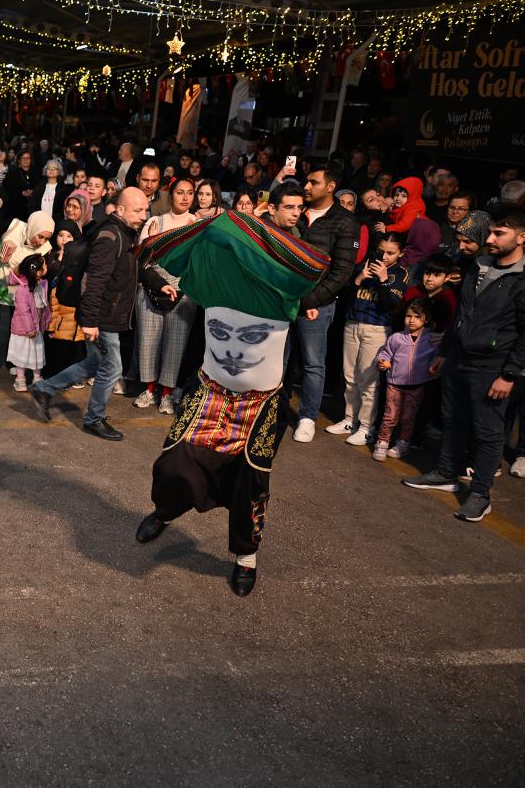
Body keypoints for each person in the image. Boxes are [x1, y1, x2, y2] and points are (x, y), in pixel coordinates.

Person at [133, 210, 331, 596]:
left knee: (250, 483)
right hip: (210, 391)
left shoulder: (283, 293)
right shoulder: (210, 283)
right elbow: (157, 262)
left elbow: (319, 267)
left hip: (261, 404)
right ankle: (166, 512)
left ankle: (246, 558)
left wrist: (253, 229)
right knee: (174, 462)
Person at [403, 210, 525, 523]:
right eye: (491, 232)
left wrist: (509, 374)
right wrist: (445, 352)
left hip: (492, 366)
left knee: (487, 432)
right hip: (458, 359)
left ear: (521, 237)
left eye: (499, 234)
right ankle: (445, 473)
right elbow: (461, 315)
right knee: (452, 419)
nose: (490, 239)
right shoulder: (479, 265)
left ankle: (480, 494)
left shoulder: (521, 278)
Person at [29, 187, 148, 441]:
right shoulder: (109, 237)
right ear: (121, 209)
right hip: (102, 317)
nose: (143, 215)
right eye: (138, 210)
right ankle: (94, 419)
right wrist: (91, 321)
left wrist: (159, 284)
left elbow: (134, 268)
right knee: (112, 367)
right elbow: (95, 282)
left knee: (95, 363)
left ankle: (44, 389)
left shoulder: (127, 234)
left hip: (106, 314)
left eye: (145, 210)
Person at [290, 162, 360, 443]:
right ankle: (274, 409)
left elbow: (341, 272)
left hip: (316, 306)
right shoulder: (297, 212)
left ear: (330, 186)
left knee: (313, 364)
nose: (306, 186)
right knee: (278, 359)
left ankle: (307, 418)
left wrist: (308, 300)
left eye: (314, 182)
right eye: (307, 181)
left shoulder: (345, 221)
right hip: (284, 301)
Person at [328, 232, 409, 446]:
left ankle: (366, 428)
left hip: (376, 329)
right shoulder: (364, 266)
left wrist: (382, 279)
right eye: (381, 251)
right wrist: (358, 279)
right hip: (352, 323)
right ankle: (349, 420)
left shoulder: (400, 274)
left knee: (368, 381)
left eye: (390, 253)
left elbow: (389, 305)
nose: (384, 257)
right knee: (349, 377)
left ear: (401, 254)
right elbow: (345, 298)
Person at [134, 179, 199, 414]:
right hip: (152, 287)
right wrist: (151, 241)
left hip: (183, 292)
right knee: (148, 342)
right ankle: (149, 390)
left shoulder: (197, 225)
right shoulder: (155, 221)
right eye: (180, 192)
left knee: (176, 345)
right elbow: (141, 258)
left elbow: (200, 262)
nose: (185, 197)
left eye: (189, 193)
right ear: (171, 196)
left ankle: (167, 394)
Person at [0, 209, 56, 374]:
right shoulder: (14, 225)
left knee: (16, 326)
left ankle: (12, 362)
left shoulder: (45, 248)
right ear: (33, 228)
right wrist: (0, 252)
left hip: (19, 289)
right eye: (40, 236)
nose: (42, 241)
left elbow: (41, 271)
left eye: (47, 238)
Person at [373, 298, 441, 461]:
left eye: (417, 317)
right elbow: (385, 352)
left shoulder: (431, 339)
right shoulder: (396, 338)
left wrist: (435, 370)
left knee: (408, 418)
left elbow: (438, 358)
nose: (411, 320)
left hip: (417, 386)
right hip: (394, 384)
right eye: (409, 316)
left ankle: (403, 444)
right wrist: (382, 361)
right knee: (390, 416)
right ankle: (382, 443)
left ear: (426, 319)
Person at [44, 226, 85, 381]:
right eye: (61, 235)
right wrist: (60, 259)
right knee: (55, 342)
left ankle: (73, 374)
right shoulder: (51, 255)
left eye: (69, 236)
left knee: (74, 344)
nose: (64, 239)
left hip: (72, 309)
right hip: (55, 307)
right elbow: (50, 274)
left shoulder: (81, 258)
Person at [7, 254, 49, 392]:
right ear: (38, 272)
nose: (47, 267)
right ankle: (21, 380)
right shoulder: (22, 290)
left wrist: (45, 323)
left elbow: (44, 308)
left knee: (36, 353)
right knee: (22, 354)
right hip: (24, 330)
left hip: (36, 329)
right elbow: (23, 312)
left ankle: (37, 379)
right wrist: (30, 329)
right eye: (45, 265)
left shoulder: (40, 285)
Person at [399, 255, 457, 332]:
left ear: (447, 277)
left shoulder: (449, 299)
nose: (429, 278)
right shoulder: (412, 292)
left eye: (436, 275)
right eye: (427, 273)